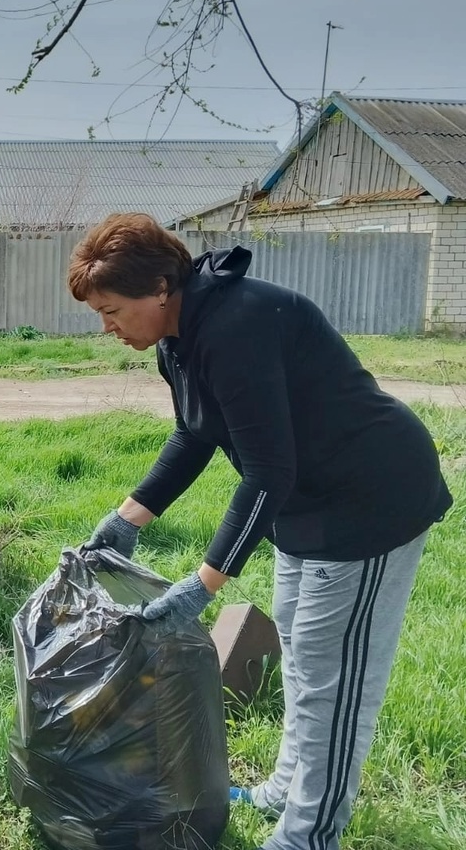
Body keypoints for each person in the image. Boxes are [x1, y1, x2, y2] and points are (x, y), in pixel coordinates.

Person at [68, 213, 451, 850]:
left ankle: (307, 833)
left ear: (160, 288)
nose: (106, 327)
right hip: (306, 504)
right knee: (302, 651)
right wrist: (127, 517)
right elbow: (195, 432)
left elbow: (268, 470)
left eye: (110, 310)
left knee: (336, 683)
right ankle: (286, 786)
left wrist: (202, 585)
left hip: (369, 501)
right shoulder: (177, 335)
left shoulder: (238, 327)